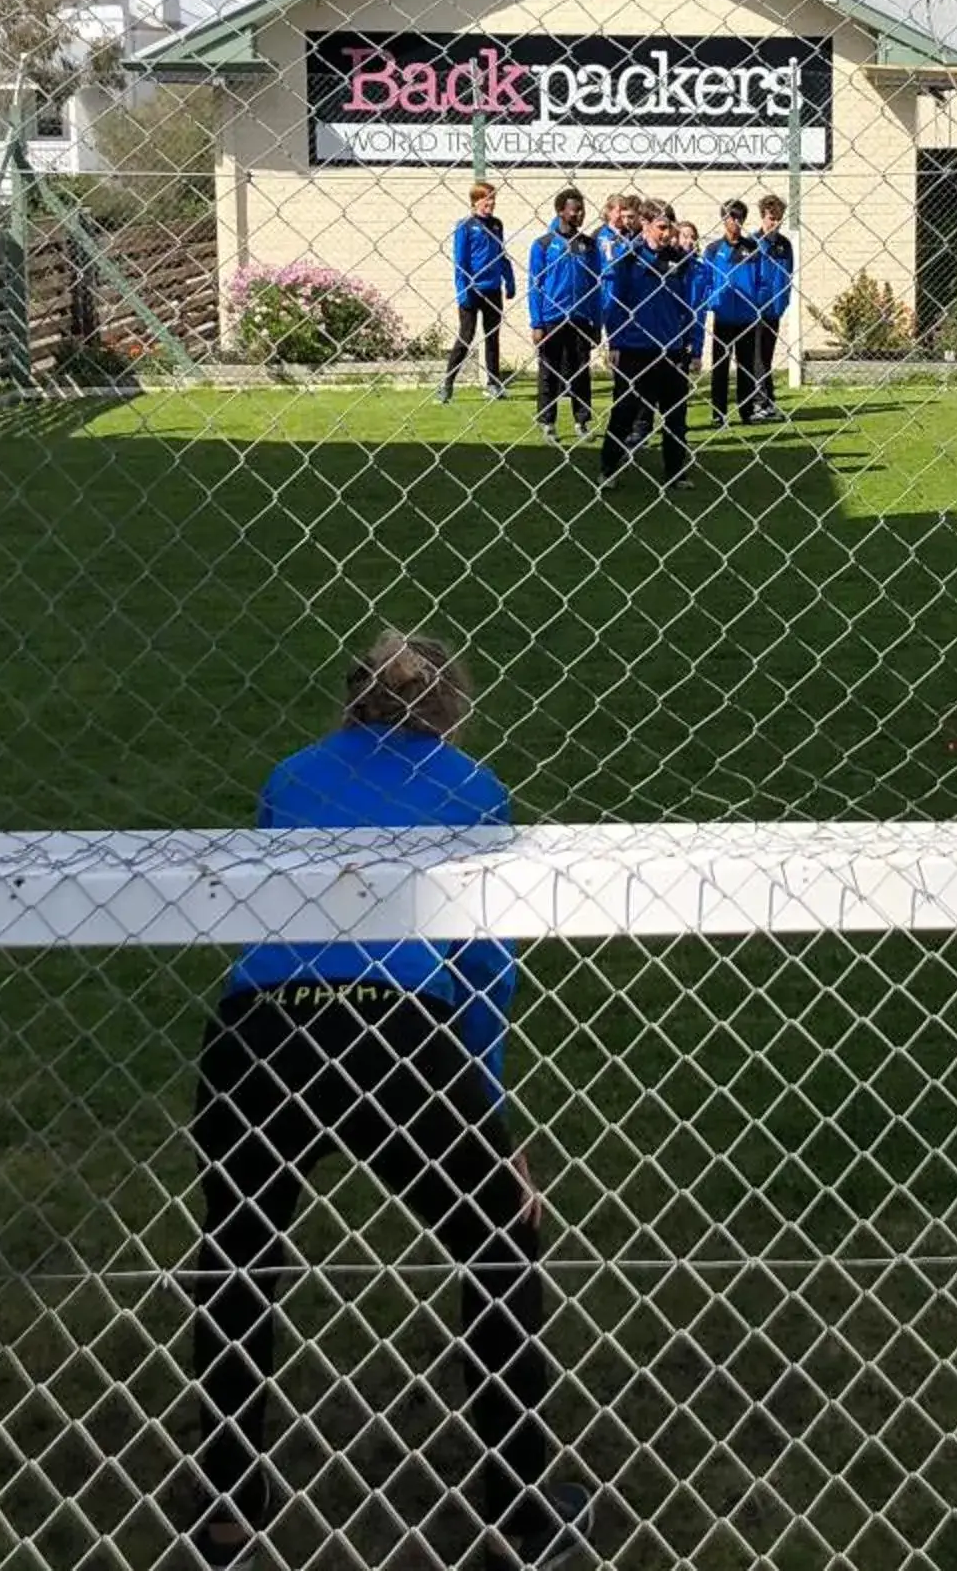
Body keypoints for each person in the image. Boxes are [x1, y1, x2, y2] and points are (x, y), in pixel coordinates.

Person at [186, 633, 589, 1569]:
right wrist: (491, 1119)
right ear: (455, 705)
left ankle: (226, 1508)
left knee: (240, 1252)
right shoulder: (472, 787)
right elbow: (487, 964)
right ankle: (523, 1513)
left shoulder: (292, 774)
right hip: (401, 1034)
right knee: (499, 1244)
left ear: (349, 702)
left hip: (262, 1033)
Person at [601, 202, 701, 488]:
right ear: (644, 225)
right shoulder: (628, 259)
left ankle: (674, 472)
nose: (667, 232)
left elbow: (688, 305)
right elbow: (615, 303)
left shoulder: (679, 261)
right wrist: (615, 342)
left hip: (670, 350)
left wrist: (690, 342)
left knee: (676, 416)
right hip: (635, 348)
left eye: (669, 226)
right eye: (660, 226)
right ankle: (608, 469)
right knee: (624, 412)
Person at [526, 189, 603, 444]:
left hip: (581, 318)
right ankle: (548, 422)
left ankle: (582, 421)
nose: (580, 214)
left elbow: (595, 286)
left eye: (582, 209)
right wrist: (537, 323)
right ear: (561, 211)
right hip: (552, 318)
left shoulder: (588, 246)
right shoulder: (543, 245)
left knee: (581, 371)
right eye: (575, 209)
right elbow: (535, 285)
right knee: (549, 370)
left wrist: (597, 322)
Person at [702, 200, 782, 427]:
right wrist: (713, 302)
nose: (735, 223)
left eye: (739, 218)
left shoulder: (753, 248)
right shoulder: (714, 249)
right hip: (724, 317)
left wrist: (756, 303)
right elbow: (707, 280)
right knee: (720, 366)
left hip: (747, 318)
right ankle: (719, 413)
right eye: (730, 218)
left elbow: (761, 281)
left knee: (746, 366)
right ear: (723, 219)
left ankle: (747, 411)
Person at [441, 183, 515, 404]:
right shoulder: (465, 226)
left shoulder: (496, 225)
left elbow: (502, 254)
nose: (490, 204)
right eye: (486, 200)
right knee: (466, 335)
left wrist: (509, 280)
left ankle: (493, 383)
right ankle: (447, 384)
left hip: (493, 289)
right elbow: (460, 262)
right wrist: (463, 291)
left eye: (493, 199)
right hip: (472, 290)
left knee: (492, 337)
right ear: (475, 201)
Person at [754, 194, 797, 420]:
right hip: (755, 309)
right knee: (757, 357)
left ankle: (767, 402)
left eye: (779, 218)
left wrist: (784, 301)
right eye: (771, 218)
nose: (775, 223)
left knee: (766, 357)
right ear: (763, 217)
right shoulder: (752, 243)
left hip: (774, 309)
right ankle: (761, 402)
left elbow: (788, 275)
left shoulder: (785, 245)